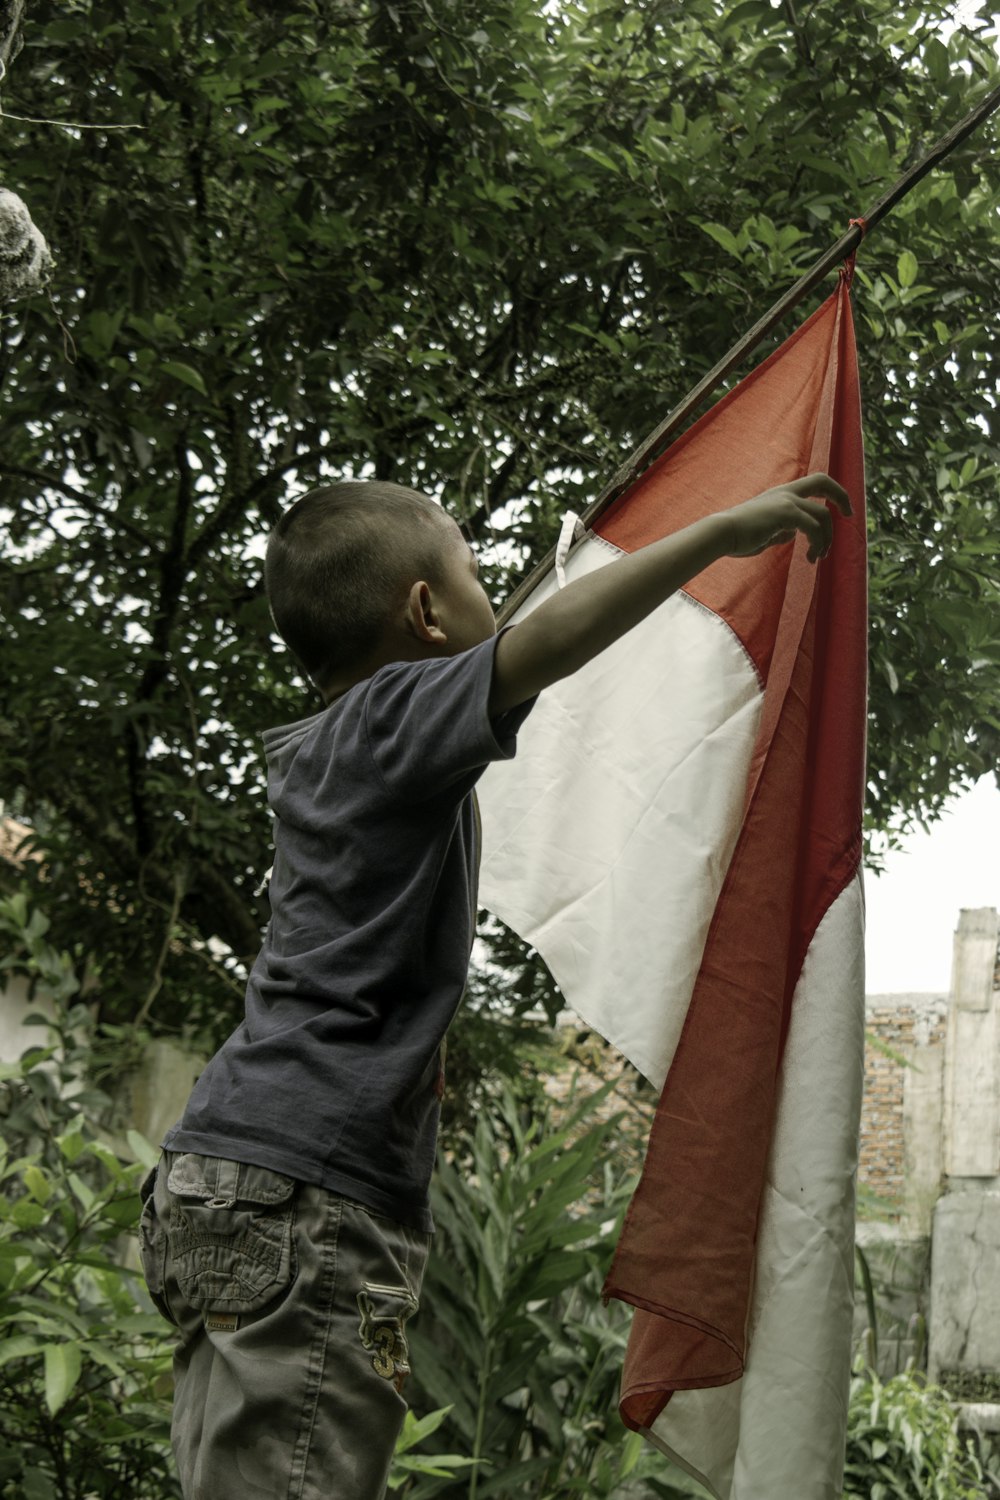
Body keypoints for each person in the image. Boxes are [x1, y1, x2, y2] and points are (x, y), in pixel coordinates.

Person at [138, 471, 850, 1500]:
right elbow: (546, 644)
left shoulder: (325, 748)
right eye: (474, 571)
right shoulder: (393, 716)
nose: (493, 592)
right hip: (311, 1186)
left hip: (222, 1175)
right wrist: (720, 530)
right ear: (425, 612)